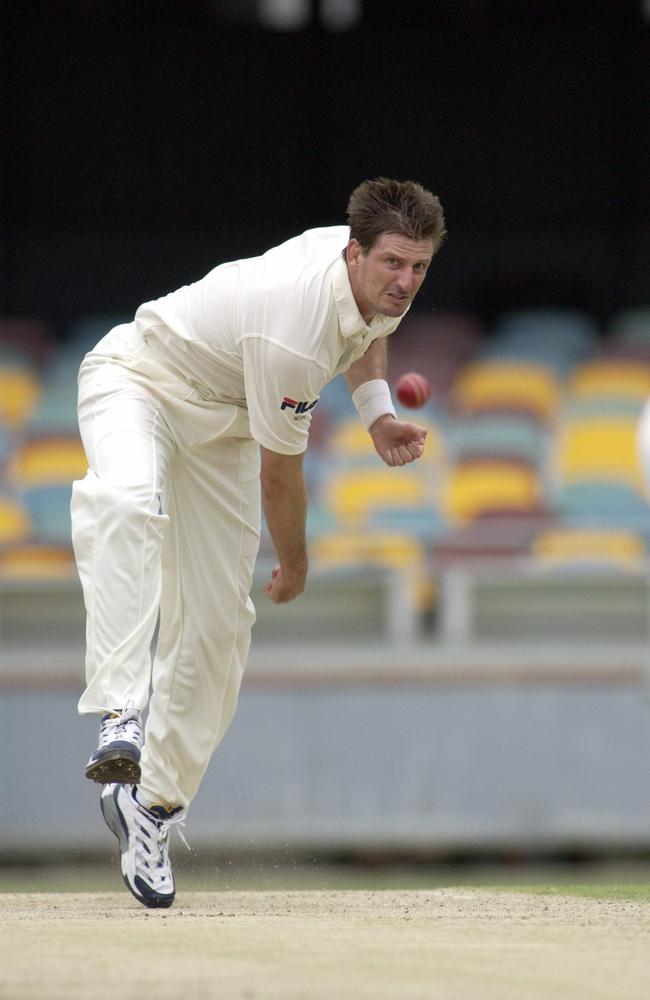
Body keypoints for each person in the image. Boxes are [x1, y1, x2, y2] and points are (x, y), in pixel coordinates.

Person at [71, 177, 446, 908]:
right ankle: (121, 712)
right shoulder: (293, 330)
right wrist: (297, 562)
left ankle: (151, 806)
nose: (405, 283)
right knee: (124, 499)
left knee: (217, 627)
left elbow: (368, 335)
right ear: (353, 253)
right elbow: (282, 476)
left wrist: (376, 413)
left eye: (419, 269)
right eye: (393, 265)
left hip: (226, 423)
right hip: (140, 381)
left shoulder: (366, 281)